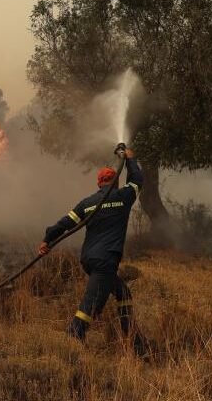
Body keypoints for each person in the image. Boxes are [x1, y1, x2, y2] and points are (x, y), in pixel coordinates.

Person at [38, 143, 147, 352]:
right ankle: (73, 337)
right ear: (114, 183)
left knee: (123, 293)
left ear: (99, 184)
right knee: (91, 304)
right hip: (106, 261)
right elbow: (137, 181)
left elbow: (64, 224)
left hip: (89, 259)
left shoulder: (87, 203)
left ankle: (133, 338)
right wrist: (131, 159)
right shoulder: (123, 197)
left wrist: (47, 240)